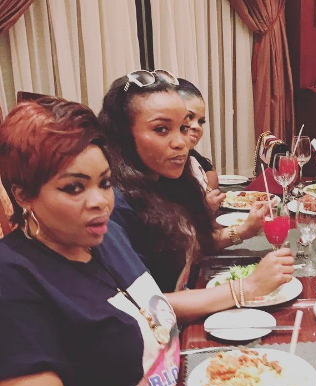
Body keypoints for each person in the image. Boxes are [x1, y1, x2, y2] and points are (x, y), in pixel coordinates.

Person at [0, 97, 266, 386]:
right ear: (24, 194)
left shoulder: (103, 237)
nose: (99, 202)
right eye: (73, 188)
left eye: (104, 182)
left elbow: (149, 308)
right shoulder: (14, 277)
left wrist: (244, 291)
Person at [99, 71, 294, 319]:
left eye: (183, 127)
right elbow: (140, 306)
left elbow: (187, 245)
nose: (181, 142)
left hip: (191, 304)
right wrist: (247, 287)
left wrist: (243, 231)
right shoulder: (114, 205)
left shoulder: (166, 182)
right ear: (123, 135)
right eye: (161, 129)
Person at [177, 78, 225, 214]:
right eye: (189, 117)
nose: (196, 127)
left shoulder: (190, 155)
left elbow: (209, 169)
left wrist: (207, 194)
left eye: (201, 121)